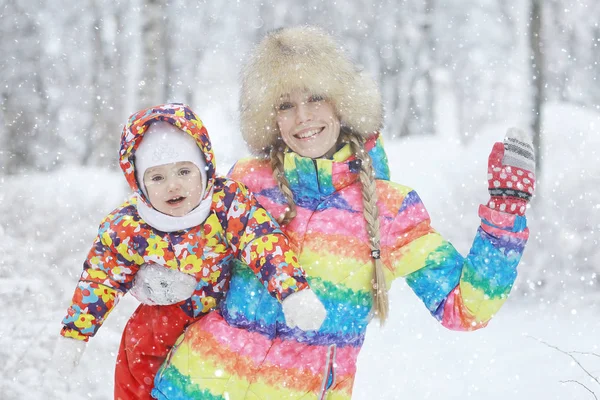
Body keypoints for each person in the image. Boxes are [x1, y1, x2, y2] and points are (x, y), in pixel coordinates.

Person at [140, 27, 535, 399]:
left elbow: (463, 309)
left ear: (342, 102)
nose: (303, 118)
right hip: (190, 387)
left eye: (315, 98)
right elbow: (187, 256)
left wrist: (504, 214)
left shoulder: (389, 209)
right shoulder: (247, 182)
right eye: (285, 105)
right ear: (270, 116)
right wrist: (152, 274)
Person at [52, 103, 326, 400]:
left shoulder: (226, 204)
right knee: (139, 364)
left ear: (205, 169)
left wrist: (292, 291)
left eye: (184, 171)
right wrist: (75, 335)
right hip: (160, 326)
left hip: (222, 319)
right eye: (157, 178)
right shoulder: (128, 226)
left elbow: (262, 241)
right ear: (139, 183)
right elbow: (100, 279)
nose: (173, 185)